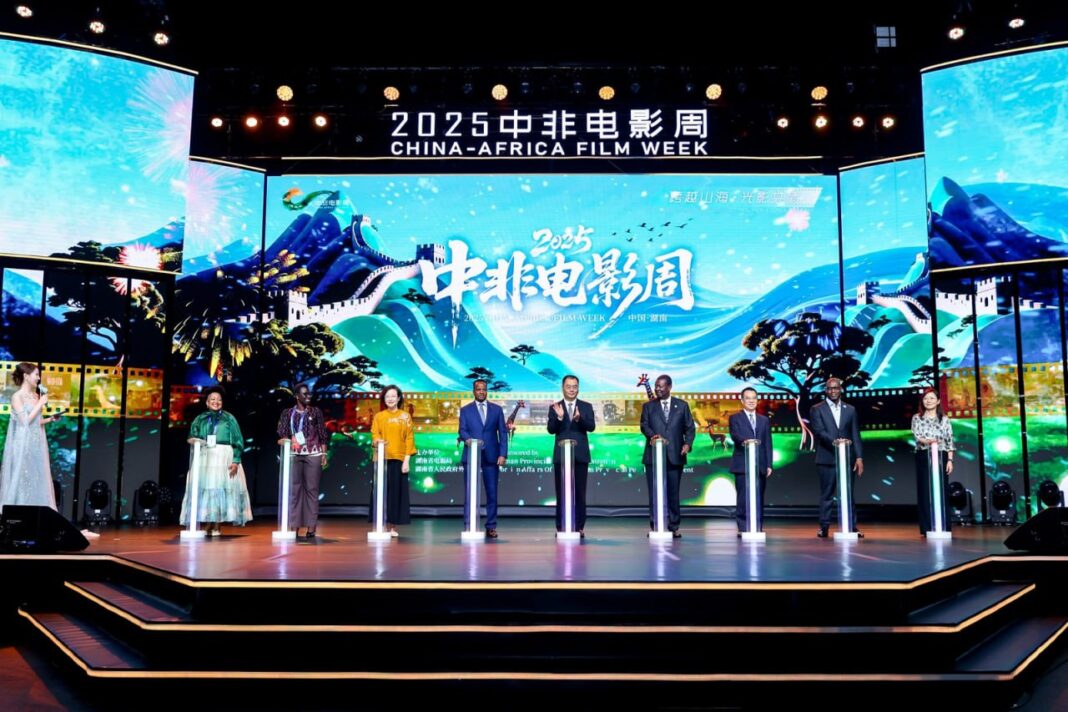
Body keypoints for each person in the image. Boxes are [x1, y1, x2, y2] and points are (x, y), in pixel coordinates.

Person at [179, 386, 252, 536]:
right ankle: (208, 522)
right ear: (207, 402)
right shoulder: (200, 419)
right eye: (212, 399)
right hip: (205, 456)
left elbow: (238, 440)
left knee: (220, 489)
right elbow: (192, 435)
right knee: (208, 489)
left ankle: (217, 524)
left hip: (224, 456)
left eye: (219, 399)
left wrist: (236, 460)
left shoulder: (229, 418)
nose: (216, 402)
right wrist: (194, 440)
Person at [639, 374, 696, 538]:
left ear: (669, 387)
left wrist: (688, 444)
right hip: (653, 456)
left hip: (675, 455)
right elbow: (644, 425)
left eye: (661, 386)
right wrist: (653, 436)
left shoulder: (682, 405)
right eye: (656, 386)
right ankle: (656, 525)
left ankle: (673, 526)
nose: (657, 389)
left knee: (673, 493)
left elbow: (690, 428)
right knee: (654, 493)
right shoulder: (648, 406)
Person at [0, 362, 61, 512]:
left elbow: (35, 422)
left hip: (36, 443)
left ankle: (37, 515)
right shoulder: (17, 397)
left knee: (36, 477)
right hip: (22, 444)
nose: (39, 378)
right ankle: (17, 514)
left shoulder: (35, 396)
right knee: (22, 478)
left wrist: (50, 419)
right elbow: (24, 421)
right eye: (36, 375)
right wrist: (40, 403)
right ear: (26, 376)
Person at [809, 378, 864, 538]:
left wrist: (859, 457)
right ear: (825, 390)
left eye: (836, 388)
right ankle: (824, 527)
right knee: (827, 494)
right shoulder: (817, 409)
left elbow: (855, 434)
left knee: (848, 494)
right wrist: (836, 442)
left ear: (841, 389)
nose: (833, 391)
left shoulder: (850, 409)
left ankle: (851, 527)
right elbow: (819, 431)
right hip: (827, 458)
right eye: (830, 388)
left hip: (847, 459)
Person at [458, 379, 509, 538]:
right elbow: (462, 430)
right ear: (473, 391)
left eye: (484, 389)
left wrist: (503, 454)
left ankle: (491, 526)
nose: (481, 392)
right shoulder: (465, 410)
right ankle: (469, 524)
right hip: (471, 455)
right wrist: (468, 440)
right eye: (478, 389)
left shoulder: (496, 410)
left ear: (487, 391)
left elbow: (503, 433)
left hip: (492, 457)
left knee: (492, 493)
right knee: (470, 493)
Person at [277, 383, 329, 539]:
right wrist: (286, 439)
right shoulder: (287, 413)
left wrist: (324, 453)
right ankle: (295, 525)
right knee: (295, 490)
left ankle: (311, 526)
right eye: (304, 394)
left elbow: (322, 433)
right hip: (294, 454)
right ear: (297, 396)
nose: (308, 396)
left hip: (313, 453)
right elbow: (282, 433)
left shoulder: (315, 411)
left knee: (312, 490)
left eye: (309, 393)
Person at [547, 374, 596, 536]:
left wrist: (580, 419)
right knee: (561, 493)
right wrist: (559, 417)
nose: (572, 390)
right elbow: (551, 429)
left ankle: (579, 526)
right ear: (563, 388)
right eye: (568, 386)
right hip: (561, 457)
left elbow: (591, 427)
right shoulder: (555, 407)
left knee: (580, 493)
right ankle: (561, 526)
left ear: (578, 388)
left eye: (574, 387)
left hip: (580, 456)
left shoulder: (586, 406)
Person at [370, 384, 416, 537]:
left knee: (395, 494)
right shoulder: (379, 416)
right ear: (384, 399)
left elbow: (409, 438)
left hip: (398, 460)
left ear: (398, 398)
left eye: (393, 396)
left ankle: (393, 527)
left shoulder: (405, 416)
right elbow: (374, 434)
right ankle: (380, 524)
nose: (390, 399)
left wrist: (406, 460)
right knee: (380, 492)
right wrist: (377, 441)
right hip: (381, 460)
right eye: (387, 396)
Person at [728, 387, 773, 535]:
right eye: (748, 398)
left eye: (754, 398)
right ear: (742, 401)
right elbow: (735, 436)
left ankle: (757, 527)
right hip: (742, 464)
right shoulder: (735, 418)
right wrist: (747, 441)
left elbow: (768, 442)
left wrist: (769, 464)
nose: (751, 401)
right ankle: (743, 528)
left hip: (760, 465)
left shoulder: (764, 420)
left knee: (759, 497)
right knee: (743, 498)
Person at [912, 388, 955, 536]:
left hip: (941, 455)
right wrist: (929, 442)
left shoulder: (944, 419)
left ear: (938, 401)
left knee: (941, 490)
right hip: (924, 455)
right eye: (925, 398)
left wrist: (950, 460)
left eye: (931, 398)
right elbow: (917, 436)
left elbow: (949, 440)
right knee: (924, 490)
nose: (928, 401)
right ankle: (927, 527)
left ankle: (943, 525)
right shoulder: (917, 418)